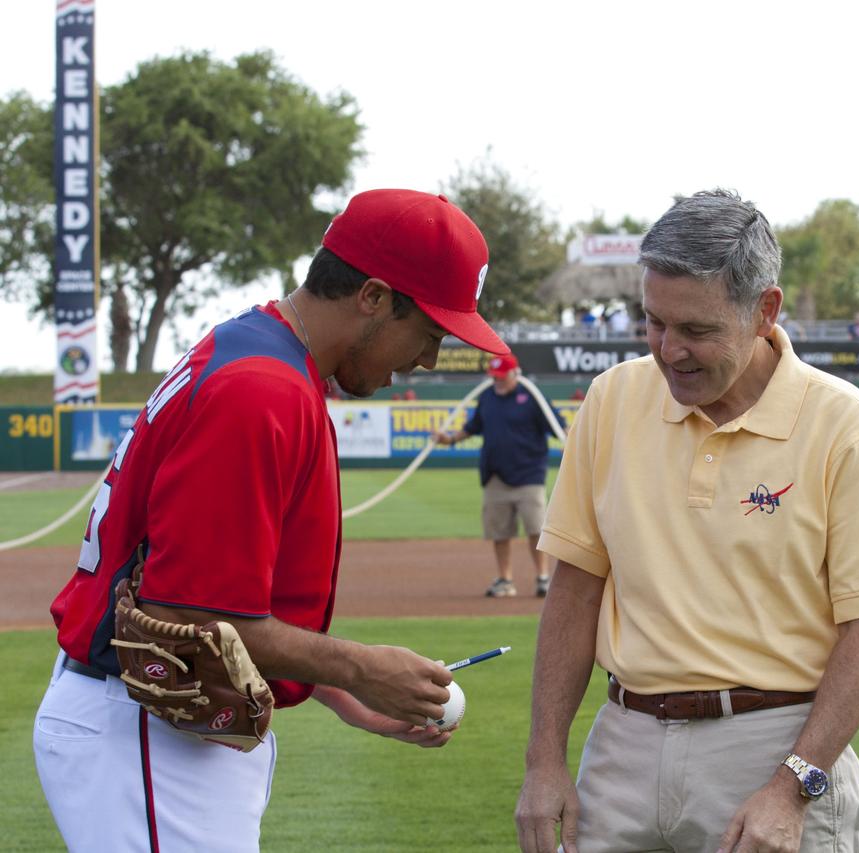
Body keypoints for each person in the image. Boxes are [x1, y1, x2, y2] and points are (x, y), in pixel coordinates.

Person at [34, 189, 508, 851]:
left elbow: (223, 604)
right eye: (428, 332)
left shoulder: (257, 348)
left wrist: (339, 694)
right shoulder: (262, 389)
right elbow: (192, 615)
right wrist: (362, 669)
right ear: (372, 296)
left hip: (169, 723)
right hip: (146, 730)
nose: (426, 359)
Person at [514, 190, 859, 853]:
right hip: (622, 745)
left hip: (775, 747)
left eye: (697, 330)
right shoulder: (613, 399)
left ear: (765, 311)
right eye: (654, 323)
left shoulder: (845, 424)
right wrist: (544, 760)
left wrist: (793, 785)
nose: (670, 350)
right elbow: (575, 590)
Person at [434, 353, 566, 598]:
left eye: (501, 376)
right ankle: (505, 579)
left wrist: (574, 440)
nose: (497, 381)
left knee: (536, 529)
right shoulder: (487, 397)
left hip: (529, 474)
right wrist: (448, 439)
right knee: (499, 532)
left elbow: (557, 426)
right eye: (494, 377)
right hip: (495, 475)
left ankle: (543, 577)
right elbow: (473, 428)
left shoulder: (533, 398)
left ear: (514, 373)